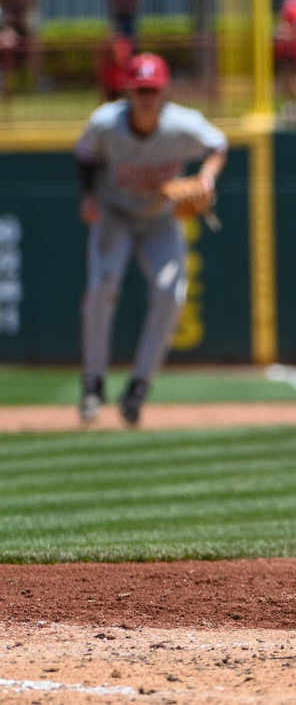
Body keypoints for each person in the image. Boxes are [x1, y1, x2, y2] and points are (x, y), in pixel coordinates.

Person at [73, 53, 228, 426]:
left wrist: (206, 178)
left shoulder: (182, 124)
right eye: (140, 89)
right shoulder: (106, 122)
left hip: (160, 218)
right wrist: (88, 195)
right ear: (128, 90)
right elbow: (84, 154)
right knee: (102, 287)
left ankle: (138, 388)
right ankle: (93, 383)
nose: (146, 97)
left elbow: (219, 145)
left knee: (170, 294)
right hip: (115, 213)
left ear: (164, 91)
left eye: (152, 89)